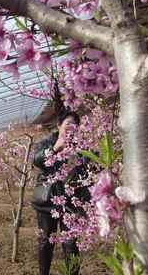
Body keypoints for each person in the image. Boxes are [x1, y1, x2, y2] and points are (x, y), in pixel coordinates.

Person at [31, 111, 89, 275]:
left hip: (71, 203)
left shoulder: (81, 145)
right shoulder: (46, 142)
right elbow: (37, 160)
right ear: (59, 126)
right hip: (47, 201)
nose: (71, 127)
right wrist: (56, 148)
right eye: (68, 123)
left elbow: (89, 169)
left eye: (75, 125)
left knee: (71, 243)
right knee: (45, 241)